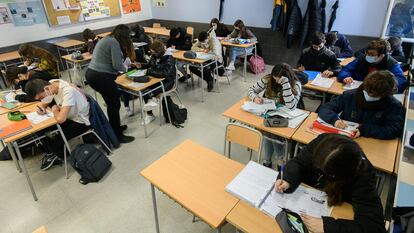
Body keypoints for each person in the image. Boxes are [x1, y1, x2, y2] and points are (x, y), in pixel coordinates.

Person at [274, 133, 386, 233]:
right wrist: (288, 179)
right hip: (309, 199)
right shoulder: (323, 142)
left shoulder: (363, 175)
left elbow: (374, 226)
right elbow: (300, 161)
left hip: (336, 210)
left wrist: (328, 227)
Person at [25, 79, 91, 170]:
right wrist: (41, 107)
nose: (41, 99)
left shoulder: (67, 91)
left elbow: (61, 119)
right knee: (41, 131)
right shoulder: (52, 84)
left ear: (46, 88)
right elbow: (43, 103)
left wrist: (54, 109)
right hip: (69, 117)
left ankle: (68, 158)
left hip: (80, 121)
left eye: (40, 97)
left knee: (54, 142)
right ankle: (52, 153)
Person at [85, 24, 135, 143]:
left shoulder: (106, 39)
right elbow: (117, 65)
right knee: (114, 104)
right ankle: (117, 135)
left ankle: (114, 128)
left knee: (112, 103)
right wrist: (127, 67)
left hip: (93, 74)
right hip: (101, 77)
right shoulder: (114, 42)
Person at [319, 70, 404, 140]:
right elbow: (326, 108)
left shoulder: (394, 105)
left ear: (385, 94)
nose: (369, 95)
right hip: (345, 136)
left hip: (372, 141)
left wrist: (364, 130)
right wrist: (335, 120)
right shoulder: (350, 95)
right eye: (368, 91)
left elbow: (394, 130)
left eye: (374, 94)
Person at [248, 63, 302, 168]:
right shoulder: (268, 79)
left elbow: (291, 106)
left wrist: (286, 85)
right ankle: (278, 160)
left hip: (287, 119)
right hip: (269, 114)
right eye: (275, 78)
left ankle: (271, 160)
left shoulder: (296, 85)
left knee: (272, 132)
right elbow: (251, 90)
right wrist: (255, 98)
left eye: (280, 79)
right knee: (269, 131)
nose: (277, 81)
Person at [338, 39, 407, 93]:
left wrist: (381, 86)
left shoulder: (391, 64)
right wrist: (345, 77)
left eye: (372, 55)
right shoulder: (361, 58)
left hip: (376, 94)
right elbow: (346, 69)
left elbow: (401, 81)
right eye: (367, 53)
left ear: (381, 56)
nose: (368, 56)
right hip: (358, 90)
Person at [136, 40, 176, 125]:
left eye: (154, 52)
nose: (152, 54)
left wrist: (149, 72)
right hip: (155, 80)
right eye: (151, 52)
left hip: (167, 82)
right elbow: (150, 65)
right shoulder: (154, 55)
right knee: (144, 90)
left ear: (160, 51)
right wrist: (141, 65)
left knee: (149, 92)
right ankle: (150, 114)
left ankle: (153, 100)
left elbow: (165, 73)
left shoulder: (169, 58)